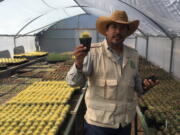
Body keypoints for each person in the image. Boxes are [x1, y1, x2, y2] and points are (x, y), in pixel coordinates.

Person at [66, 10, 159, 135]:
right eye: (114, 27)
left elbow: (137, 87)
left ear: (127, 32)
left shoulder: (133, 55)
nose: (118, 31)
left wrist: (145, 86)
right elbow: (73, 82)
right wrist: (78, 63)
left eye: (122, 28)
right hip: (98, 125)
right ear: (106, 30)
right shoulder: (92, 52)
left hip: (124, 124)